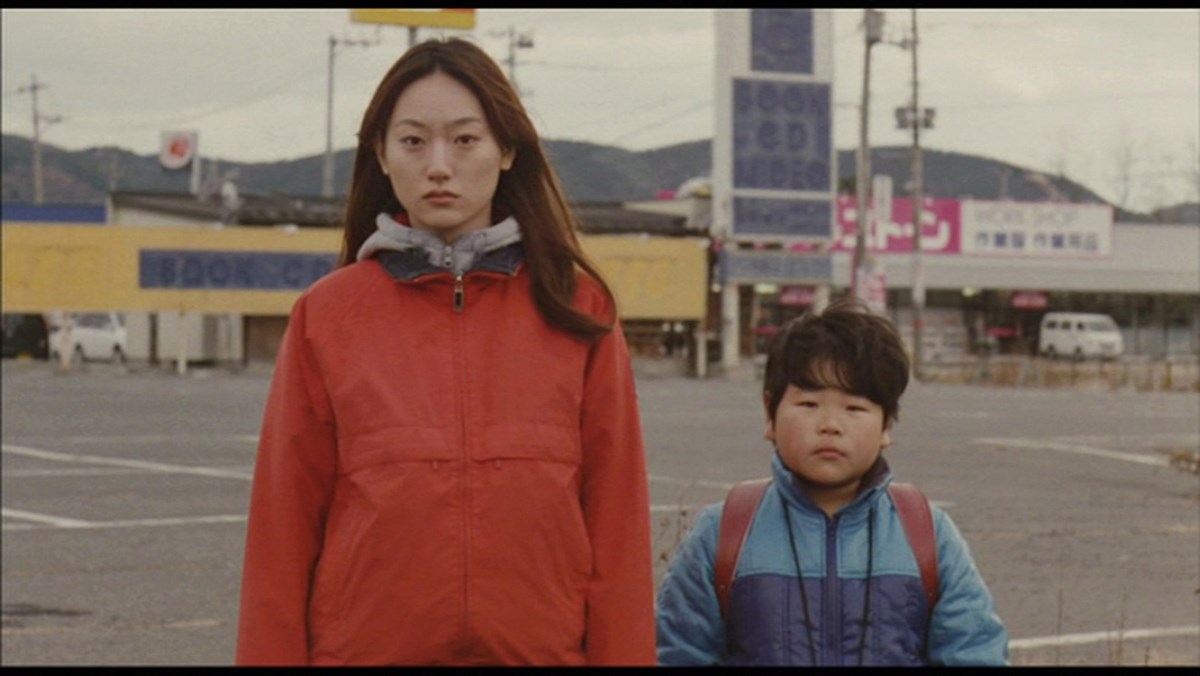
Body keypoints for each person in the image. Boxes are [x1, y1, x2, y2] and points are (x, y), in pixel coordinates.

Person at [236, 37, 655, 666]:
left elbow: (618, 524)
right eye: (413, 141)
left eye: (464, 139)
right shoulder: (326, 315)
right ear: (380, 154)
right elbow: (282, 529)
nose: (438, 165)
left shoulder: (578, 307)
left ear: (506, 150)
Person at [655, 298, 1008, 666]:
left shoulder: (927, 534)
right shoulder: (725, 533)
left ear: (886, 425)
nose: (830, 425)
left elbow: (974, 652)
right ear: (770, 414)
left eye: (854, 408)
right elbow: (678, 653)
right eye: (809, 404)